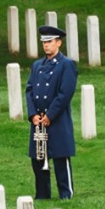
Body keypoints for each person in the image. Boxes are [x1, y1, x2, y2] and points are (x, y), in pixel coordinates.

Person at [25, 25, 78, 199]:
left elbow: (65, 93)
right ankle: (42, 195)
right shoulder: (37, 65)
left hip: (57, 120)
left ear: (59, 43)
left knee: (61, 159)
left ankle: (66, 194)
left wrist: (50, 115)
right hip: (38, 121)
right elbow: (30, 90)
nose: (46, 45)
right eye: (44, 42)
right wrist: (33, 115)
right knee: (38, 159)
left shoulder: (66, 65)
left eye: (49, 41)